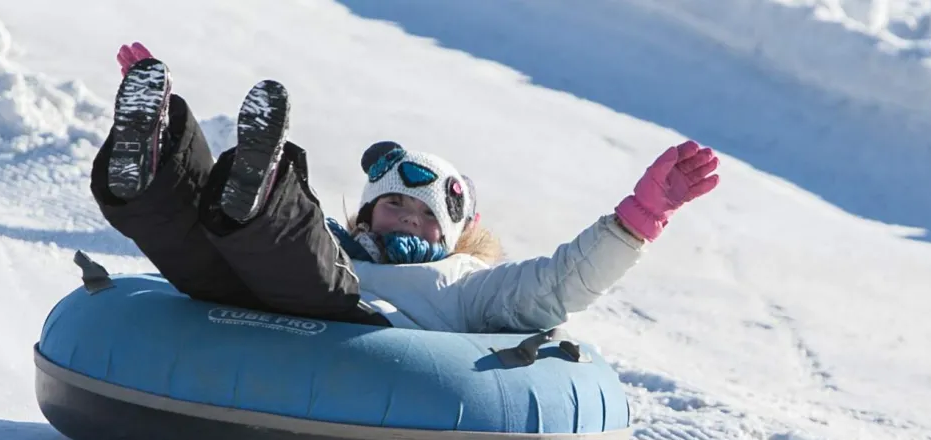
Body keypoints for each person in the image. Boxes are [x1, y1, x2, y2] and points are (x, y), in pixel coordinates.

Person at [90, 42, 720, 333]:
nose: (404, 219)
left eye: (422, 214)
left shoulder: (466, 285)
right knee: (198, 244)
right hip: (248, 299)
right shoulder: (340, 239)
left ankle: (262, 188)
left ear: (449, 234)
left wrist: (641, 216)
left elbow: (558, 283)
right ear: (367, 212)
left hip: (346, 323)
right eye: (392, 203)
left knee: (299, 255)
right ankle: (156, 149)